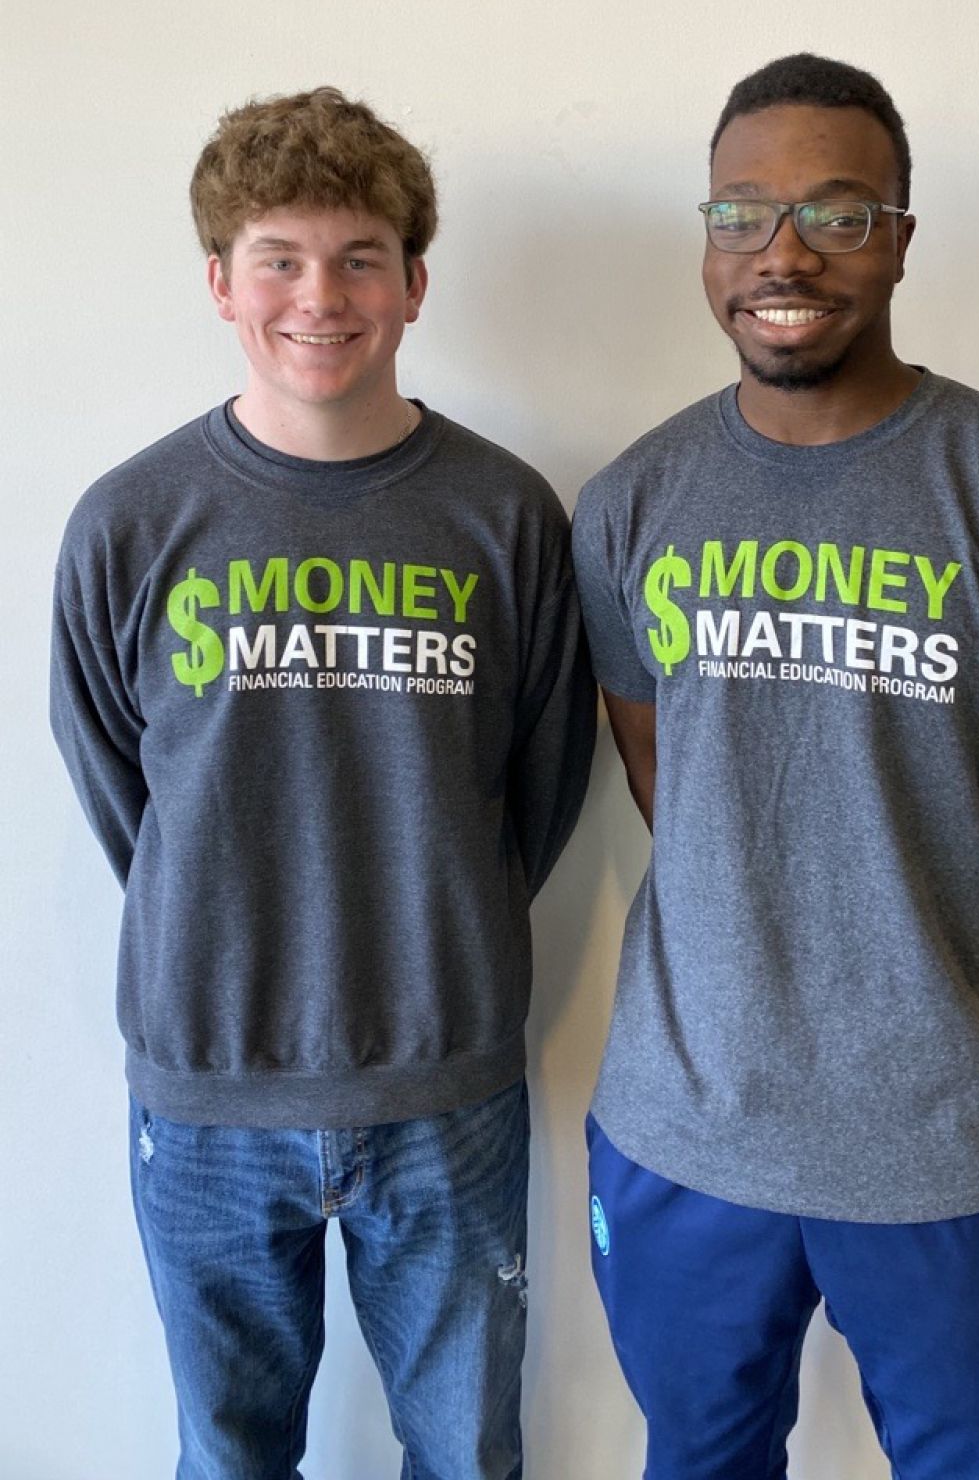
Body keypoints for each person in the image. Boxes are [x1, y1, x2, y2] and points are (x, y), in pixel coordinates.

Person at [572, 53, 979, 1480]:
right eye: (742, 212)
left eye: (836, 213)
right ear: (705, 237)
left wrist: (946, 976)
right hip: (679, 1137)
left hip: (949, 1147)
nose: (781, 252)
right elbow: (668, 777)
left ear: (898, 236)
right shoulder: (632, 501)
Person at [50, 85, 594, 1480]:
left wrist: (435, 915)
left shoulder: (505, 515)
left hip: (445, 1082)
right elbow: (126, 789)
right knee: (229, 1461)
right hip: (208, 1087)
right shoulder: (131, 521)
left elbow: (539, 781)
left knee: (468, 1457)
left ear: (415, 283)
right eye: (279, 257)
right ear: (220, 282)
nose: (320, 295)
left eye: (360, 257)